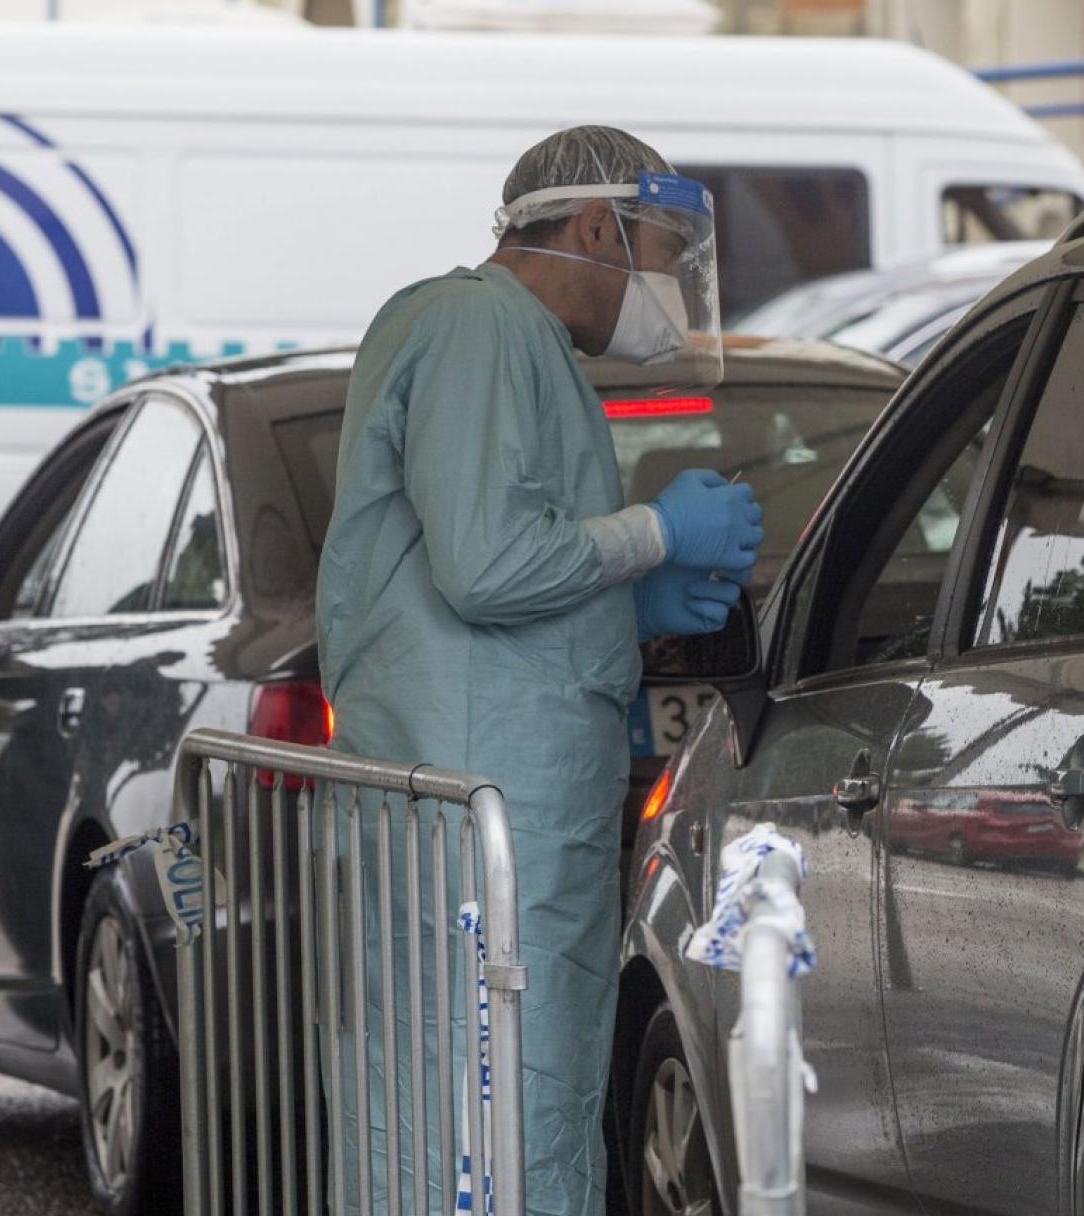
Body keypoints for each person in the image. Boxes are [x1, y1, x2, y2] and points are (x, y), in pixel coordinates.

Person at [316, 126, 762, 1216]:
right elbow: (485, 564)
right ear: (599, 222)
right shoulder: (479, 325)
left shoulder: (513, 343)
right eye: (660, 248)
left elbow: (494, 561)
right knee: (481, 1111)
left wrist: (626, 603)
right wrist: (652, 533)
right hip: (482, 814)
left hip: (504, 806)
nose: (665, 284)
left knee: (517, 1099)